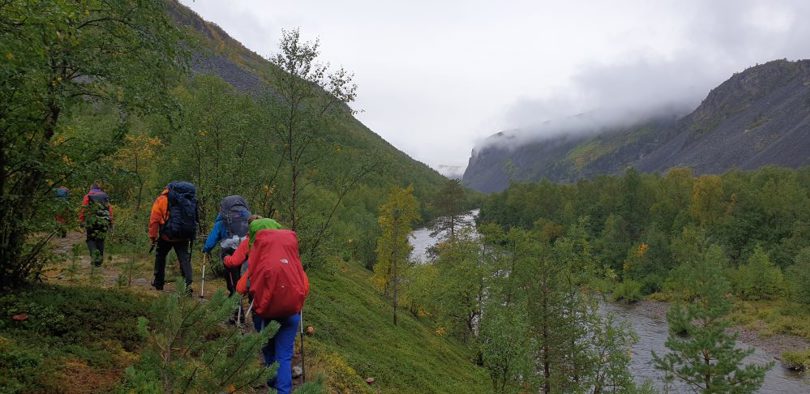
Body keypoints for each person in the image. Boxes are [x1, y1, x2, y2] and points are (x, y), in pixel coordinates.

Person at [225, 218, 309, 394]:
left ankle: (271, 382)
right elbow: (305, 286)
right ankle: (283, 390)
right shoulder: (291, 258)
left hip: (264, 314)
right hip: (290, 314)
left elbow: (241, 288)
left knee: (269, 352)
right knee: (285, 356)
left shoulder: (259, 257)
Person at [149, 181, 198, 292]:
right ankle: (187, 286)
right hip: (183, 236)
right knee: (184, 259)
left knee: (160, 256)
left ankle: (158, 283)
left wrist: (153, 236)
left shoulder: (162, 199)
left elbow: (154, 219)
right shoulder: (189, 199)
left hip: (166, 235)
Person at [202, 195, 251, 297]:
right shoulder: (247, 220)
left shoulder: (221, 223)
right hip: (246, 250)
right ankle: (247, 294)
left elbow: (212, 239)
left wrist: (206, 249)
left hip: (229, 252)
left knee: (232, 275)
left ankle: (235, 299)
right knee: (246, 274)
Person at [78, 183, 112, 266]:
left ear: (91, 188)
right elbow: (109, 209)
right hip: (104, 221)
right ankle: (99, 261)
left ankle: (95, 257)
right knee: (100, 239)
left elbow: (83, 209)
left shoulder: (88, 196)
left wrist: (81, 221)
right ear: (99, 189)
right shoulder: (105, 196)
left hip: (91, 221)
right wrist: (111, 221)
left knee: (91, 239)